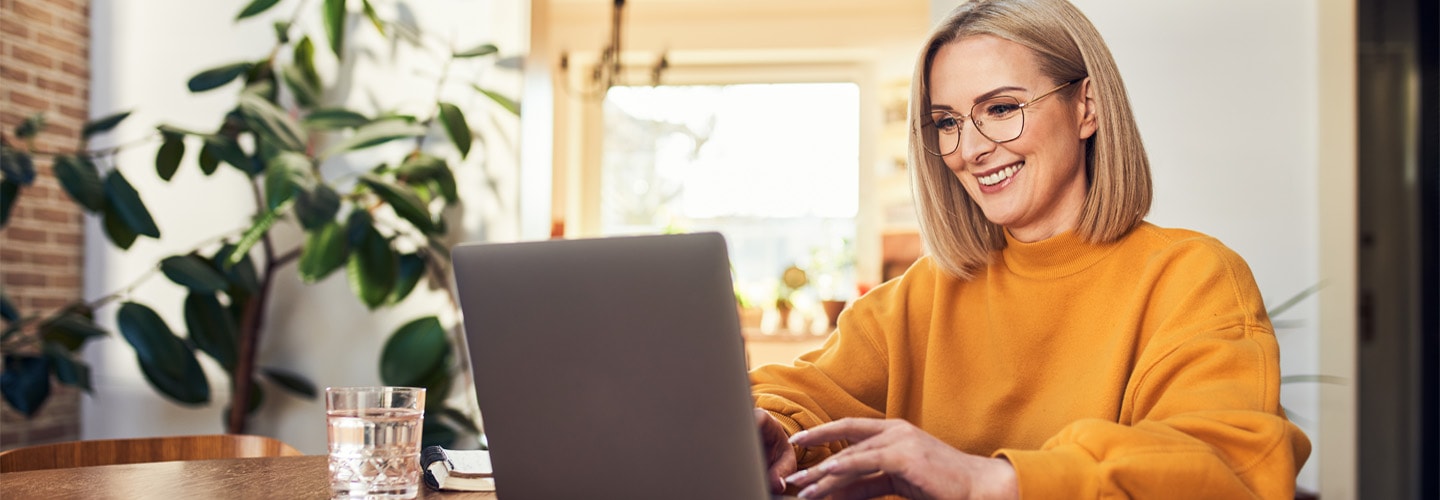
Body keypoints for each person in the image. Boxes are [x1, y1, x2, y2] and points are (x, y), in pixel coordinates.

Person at [750, 0, 1312, 498]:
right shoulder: (920, 296)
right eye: (947, 122)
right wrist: (772, 426)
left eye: (1000, 108)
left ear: (1086, 108)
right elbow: (797, 391)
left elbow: (1227, 468)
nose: (970, 149)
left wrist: (989, 481)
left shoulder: (1192, 278)